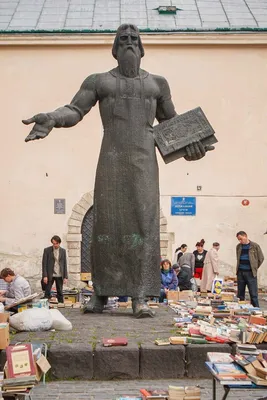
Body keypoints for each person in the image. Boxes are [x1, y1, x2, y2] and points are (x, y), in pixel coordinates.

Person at [23, 24, 211, 318]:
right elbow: (75, 110)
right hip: (110, 158)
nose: (129, 44)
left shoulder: (157, 84)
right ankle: (101, 293)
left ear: (142, 46)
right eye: (123, 40)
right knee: (105, 225)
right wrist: (52, 118)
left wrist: (193, 150)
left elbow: (172, 125)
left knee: (144, 224)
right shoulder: (99, 81)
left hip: (144, 161)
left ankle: (140, 296)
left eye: (134, 39)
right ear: (114, 47)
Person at [236, 231, 264, 307]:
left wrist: (254, 267)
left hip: (251, 273)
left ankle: (256, 312)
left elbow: (261, 258)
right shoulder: (238, 247)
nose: (240, 241)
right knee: (240, 294)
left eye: (241, 239)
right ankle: (240, 311)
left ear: (245, 236)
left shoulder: (255, 246)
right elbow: (238, 258)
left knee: (253, 294)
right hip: (240, 273)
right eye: (239, 239)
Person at [42, 235, 68, 304]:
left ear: (59, 243)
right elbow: (44, 264)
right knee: (47, 291)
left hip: (59, 274)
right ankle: (46, 305)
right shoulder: (47, 250)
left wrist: (65, 277)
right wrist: (45, 276)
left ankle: (61, 306)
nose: (55, 245)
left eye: (56, 243)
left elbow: (64, 264)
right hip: (50, 274)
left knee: (60, 292)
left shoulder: (63, 251)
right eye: (53, 243)